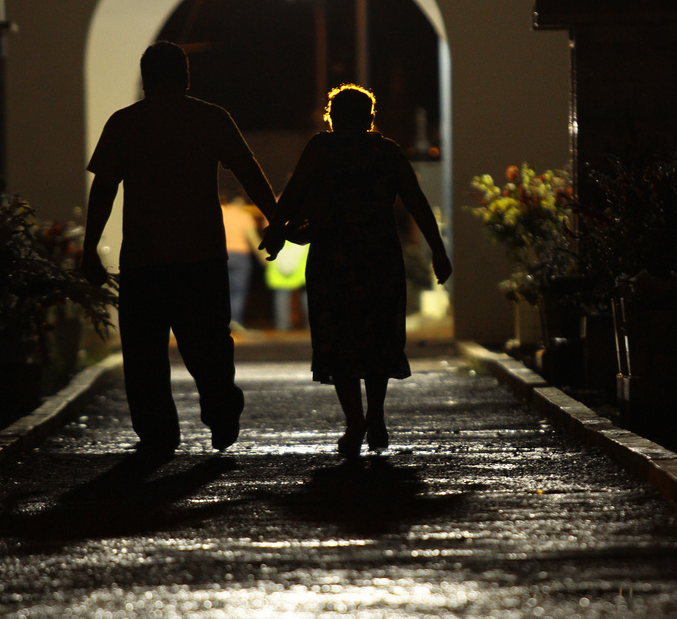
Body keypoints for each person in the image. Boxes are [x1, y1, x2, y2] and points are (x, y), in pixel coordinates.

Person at [81, 40, 277, 463]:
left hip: (144, 260)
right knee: (208, 345)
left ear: (145, 78)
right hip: (201, 258)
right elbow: (248, 171)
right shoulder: (210, 118)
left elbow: (104, 189)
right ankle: (221, 406)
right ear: (185, 76)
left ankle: (157, 435)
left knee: (144, 354)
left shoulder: (124, 123)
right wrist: (277, 221)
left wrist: (89, 247)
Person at [261, 83, 452, 457]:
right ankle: (376, 416)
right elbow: (417, 202)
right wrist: (439, 251)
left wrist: (276, 234)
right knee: (377, 336)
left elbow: (295, 194)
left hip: (333, 258)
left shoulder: (321, 149)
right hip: (379, 257)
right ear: (370, 118)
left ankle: (354, 422)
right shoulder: (386, 152)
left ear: (332, 118)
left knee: (339, 339)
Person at [221, 192, 265, 331]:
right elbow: (253, 239)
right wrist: (263, 257)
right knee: (238, 291)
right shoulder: (244, 216)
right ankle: (234, 321)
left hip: (221, 256)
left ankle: (219, 322)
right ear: (241, 202)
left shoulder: (221, 213)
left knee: (220, 291)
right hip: (240, 257)